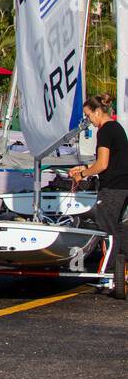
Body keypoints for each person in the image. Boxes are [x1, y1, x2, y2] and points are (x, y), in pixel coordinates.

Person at [69, 97, 128, 259]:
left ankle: (109, 270)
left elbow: (102, 164)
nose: (88, 120)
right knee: (119, 227)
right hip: (122, 184)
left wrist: (81, 175)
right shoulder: (116, 128)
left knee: (107, 228)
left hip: (113, 187)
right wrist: (86, 168)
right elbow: (111, 161)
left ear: (97, 111)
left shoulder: (105, 130)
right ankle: (120, 270)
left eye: (88, 115)